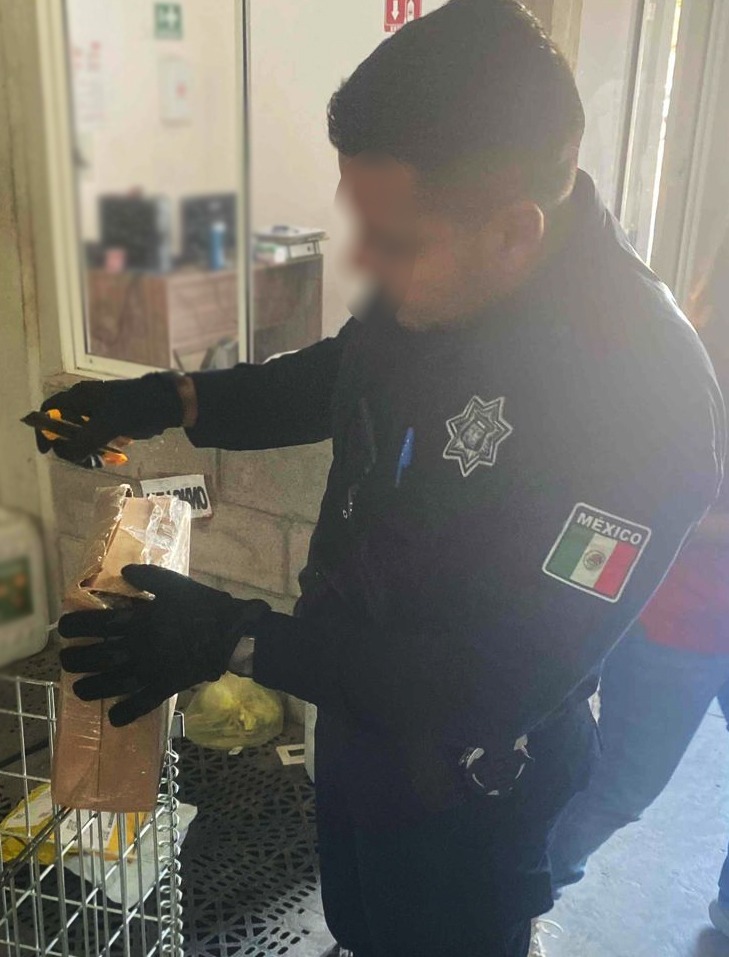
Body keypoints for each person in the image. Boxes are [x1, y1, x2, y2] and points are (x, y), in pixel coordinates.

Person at [36, 3, 725, 955]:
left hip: (472, 782)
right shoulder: (444, 278)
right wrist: (165, 399)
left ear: (514, 234)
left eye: (390, 240)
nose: (362, 261)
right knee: (358, 921)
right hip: (355, 705)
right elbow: (338, 374)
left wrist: (235, 636)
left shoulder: (647, 397)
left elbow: (503, 680)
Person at [547, 222, 729, 935]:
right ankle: (516, 898)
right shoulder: (688, 364)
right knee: (618, 789)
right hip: (677, 622)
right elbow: (645, 503)